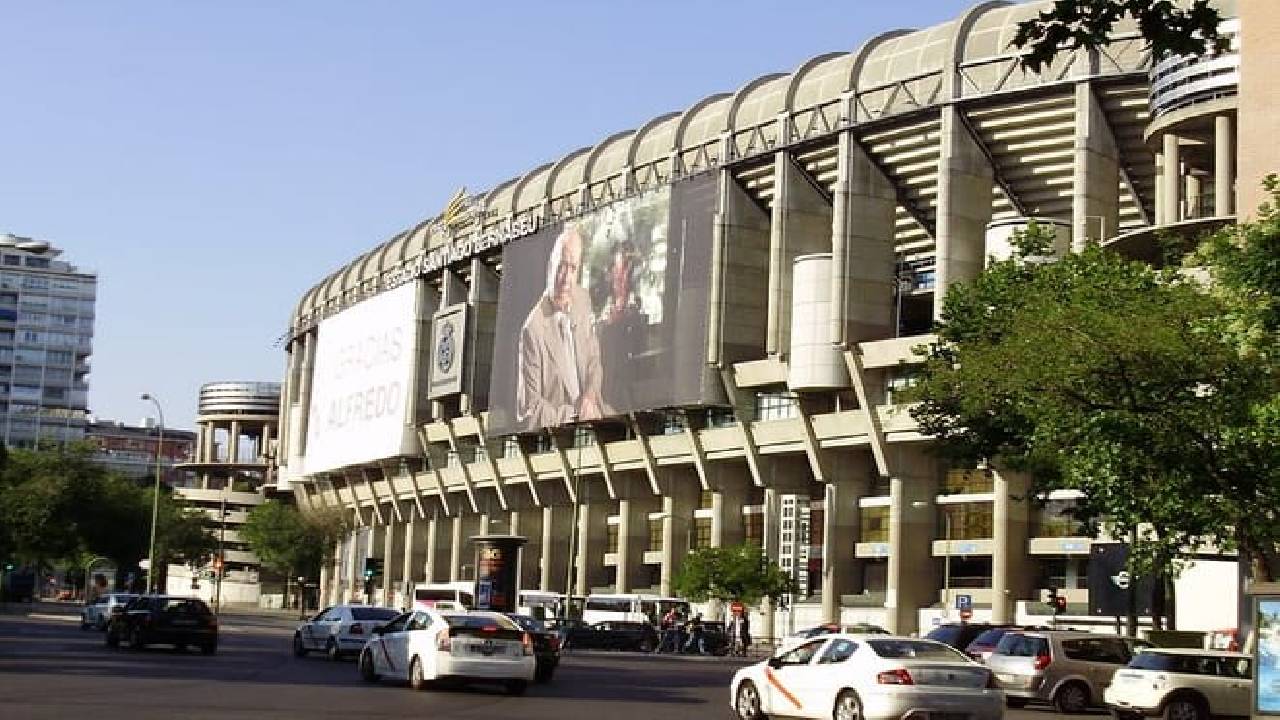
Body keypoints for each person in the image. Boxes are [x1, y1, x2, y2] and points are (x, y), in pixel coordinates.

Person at [516, 225, 609, 430]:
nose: (565, 278)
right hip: (561, 429)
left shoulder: (583, 299)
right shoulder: (533, 330)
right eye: (561, 266)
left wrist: (591, 396)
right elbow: (529, 408)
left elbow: (594, 360)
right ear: (550, 266)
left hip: (595, 412)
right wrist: (576, 414)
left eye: (572, 268)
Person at [595, 239, 647, 413]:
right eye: (620, 254)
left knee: (620, 366)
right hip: (612, 325)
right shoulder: (609, 275)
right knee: (610, 364)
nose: (623, 258)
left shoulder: (634, 270)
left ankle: (617, 398)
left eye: (625, 254)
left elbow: (641, 265)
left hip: (624, 325)